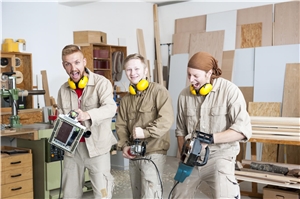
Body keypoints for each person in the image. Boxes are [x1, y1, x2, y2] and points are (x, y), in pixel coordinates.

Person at [171, 51, 252, 199]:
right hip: (191, 158)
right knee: (178, 195)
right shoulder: (184, 95)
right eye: (189, 75)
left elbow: (243, 130)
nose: (191, 80)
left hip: (220, 156)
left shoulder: (230, 91)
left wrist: (210, 138)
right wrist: (184, 156)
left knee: (226, 196)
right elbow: (180, 130)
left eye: (196, 76)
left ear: (209, 73)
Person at [57, 44, 117, 199]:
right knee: (69, 195)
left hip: (97, 148)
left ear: (84, 62)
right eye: (68, 64)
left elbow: (111, 108)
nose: (73, 68)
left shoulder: (101, 83)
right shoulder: (63, 90)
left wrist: (87, 115)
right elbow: (62, 119)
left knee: (102, 194)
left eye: (76, 62)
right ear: (64, 66)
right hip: (72, 150)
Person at [115, 53, 174, 199]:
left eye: (136, 69)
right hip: (134, 153)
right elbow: (121, 125)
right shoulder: (126, 99)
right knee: (137, 194)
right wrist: (124, 146)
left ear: (145, 70)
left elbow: (166, 119)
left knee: (150, 194)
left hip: (154, 151)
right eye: (129, 70)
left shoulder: (159, 92)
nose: (133, 73)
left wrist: (146, 132)